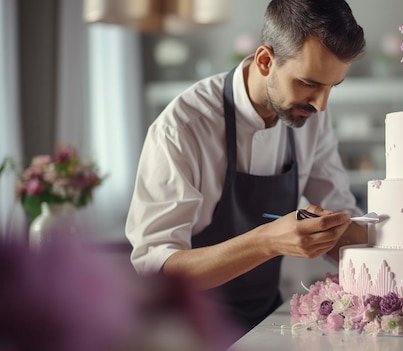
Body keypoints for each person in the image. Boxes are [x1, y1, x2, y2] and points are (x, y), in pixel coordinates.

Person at [125, 0, 367, 341]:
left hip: (266, 321)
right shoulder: (182, 127)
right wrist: (268, 241)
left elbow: (344, 224)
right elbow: (158, 269)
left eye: (331, 87)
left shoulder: (312, 118)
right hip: (187, 334)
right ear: (266, 61)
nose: (321, 104)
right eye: (308, 83)